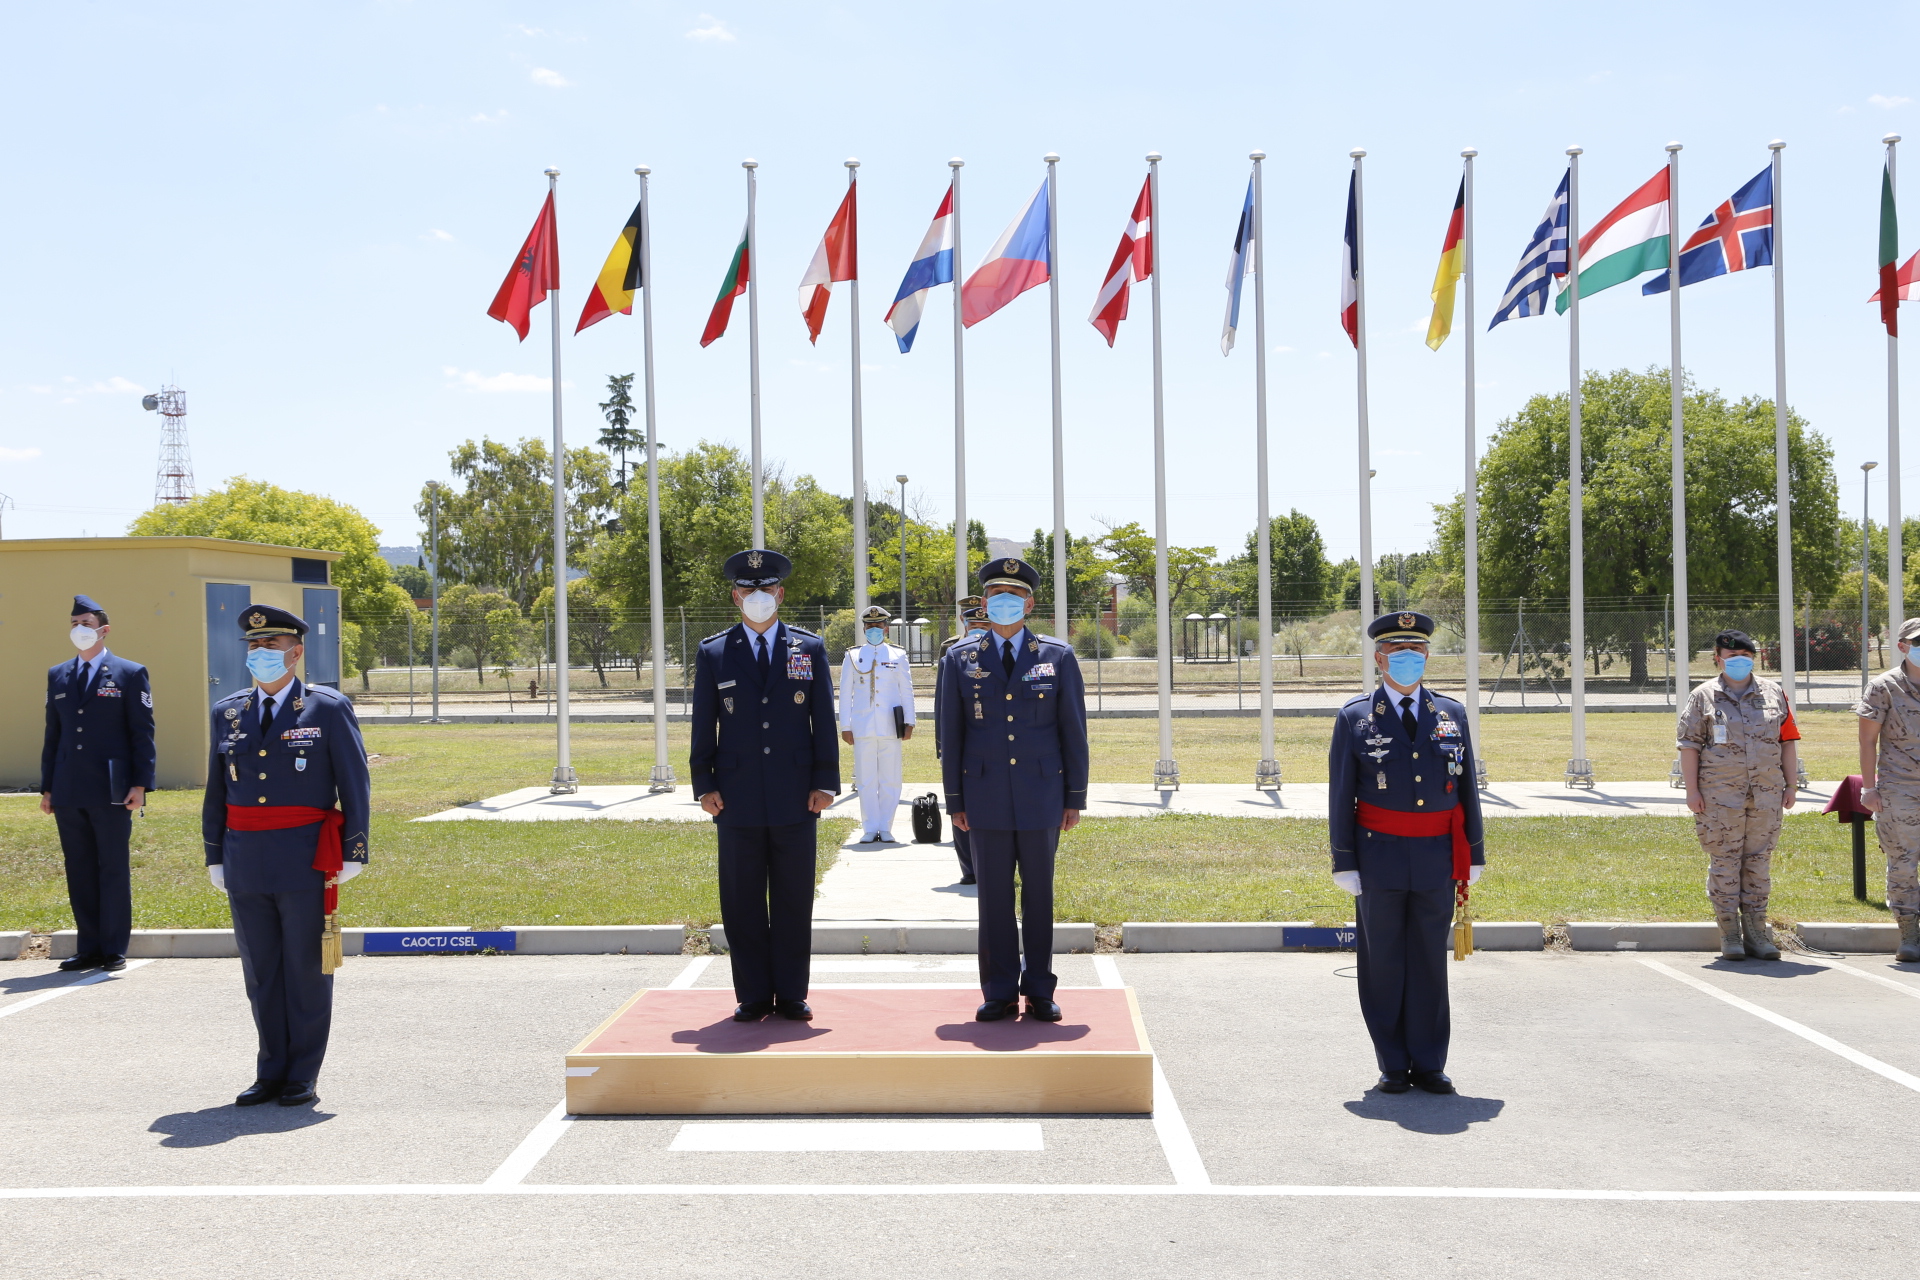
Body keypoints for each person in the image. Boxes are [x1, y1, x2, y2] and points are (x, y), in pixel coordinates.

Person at [202, 605, 370, 1109]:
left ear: (295, 653)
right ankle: (270, 1070)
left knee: (305, 969)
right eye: (253, 646)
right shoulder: (228, 711)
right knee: (261, 972)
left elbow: (354, 782)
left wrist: (354, 849)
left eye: (270, 646)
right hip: (245, 858)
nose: (259, 654)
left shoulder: (326, 708)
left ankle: (302, 1073)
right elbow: (217, 791)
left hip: (304, 857)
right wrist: (215, 855)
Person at [1327, 611, 1485, 1096]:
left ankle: (1430, 1062)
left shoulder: (1451, 714)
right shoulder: (1355, 717)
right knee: (1384, 961)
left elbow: (1467, 788)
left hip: (1437, 856)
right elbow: (1341, 794)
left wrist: (1474, 853)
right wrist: (1344, 860)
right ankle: (1393, 1063)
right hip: (1380, 857)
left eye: (1417, 651)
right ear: (1380, 659)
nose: (1409, 659)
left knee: (1429, 961)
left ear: (1428, 656)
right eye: (1399, 652)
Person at [690, 549, 841, 1022]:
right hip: (735, 798)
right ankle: (753, 993)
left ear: (781, 593)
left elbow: (823, 720)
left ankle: (792, 993)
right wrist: (704, 784)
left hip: (797, 795)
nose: (758, 596)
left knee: (794, 898)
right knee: (742, 899)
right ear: (736, 597)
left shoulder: (808, 648)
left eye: (767, 588)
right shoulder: (714, 652)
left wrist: (825, 782)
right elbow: (703, 724)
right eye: (748, 589)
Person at [937, 559, 1088, 1022]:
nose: (1004, 602)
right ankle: (999, 990)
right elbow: (951, 735)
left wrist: (1074, 798)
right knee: (994, 899)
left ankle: (1040, 988)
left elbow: (1073, 732)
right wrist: (955, 802)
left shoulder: (1057, 656)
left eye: (1014, 596)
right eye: (996, 595)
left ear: (1030, 604)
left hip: (1042, 795)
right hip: (983, 796)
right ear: (983, 605)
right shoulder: (959, 658)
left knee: (1039, 896)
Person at [39, 595, 155, 973]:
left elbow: (142, 733)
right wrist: (48, 787)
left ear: (104, 630)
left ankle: (113, 947)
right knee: (80, 868)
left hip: (111, 787)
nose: (79, 629)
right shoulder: (58, 674)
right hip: (68, 787)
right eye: (74, 623)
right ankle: (88, 947)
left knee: (112, 867)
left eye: (86, 623)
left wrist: (140, 784)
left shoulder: (129, 673)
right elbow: (53, 735)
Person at [1678, 629, 1800, 962]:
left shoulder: (1773, 693)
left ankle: (1757, 932)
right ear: (1718, 659)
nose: (1739, 662)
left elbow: (1787, 742)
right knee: (1725, 862)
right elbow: (1689, 746)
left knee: (1759, 862)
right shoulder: (1703, 696)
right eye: (1732, 657)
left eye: (1745, 657)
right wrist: (1692, 791)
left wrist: (1791, 785)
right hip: (1719, 796)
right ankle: (1729, 932)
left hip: (1766, 794)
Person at [1855, 617, 1920, 963]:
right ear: (1902, 646)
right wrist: (1869, 788)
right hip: (1900, 788)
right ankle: (1909, 933)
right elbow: (1868, 741)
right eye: (1918, 642)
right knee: (1903, 862)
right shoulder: (1884, 687)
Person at [839, 604, 915, 843]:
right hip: (862, 726)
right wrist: (845, 726)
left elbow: (906, 690)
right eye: (870, 625)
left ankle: (886, 826)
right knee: (866, 779)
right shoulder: (852, 655)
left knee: (890, 779)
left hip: (890, 725)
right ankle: (870, 827)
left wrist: (910, 722)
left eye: (878, 625)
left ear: (886, 628)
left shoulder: (897, 655)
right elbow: (845, 692)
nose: (874, 629)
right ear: (863, 628)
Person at [935, 597, 989, 884]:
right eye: (974, 623)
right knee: (960, 806)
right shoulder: (952, 654)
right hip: (962, 744)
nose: (978, 628)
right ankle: (969, 868)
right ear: (964, 623)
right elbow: (942, 706)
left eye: (984, 624)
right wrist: (942, 746)